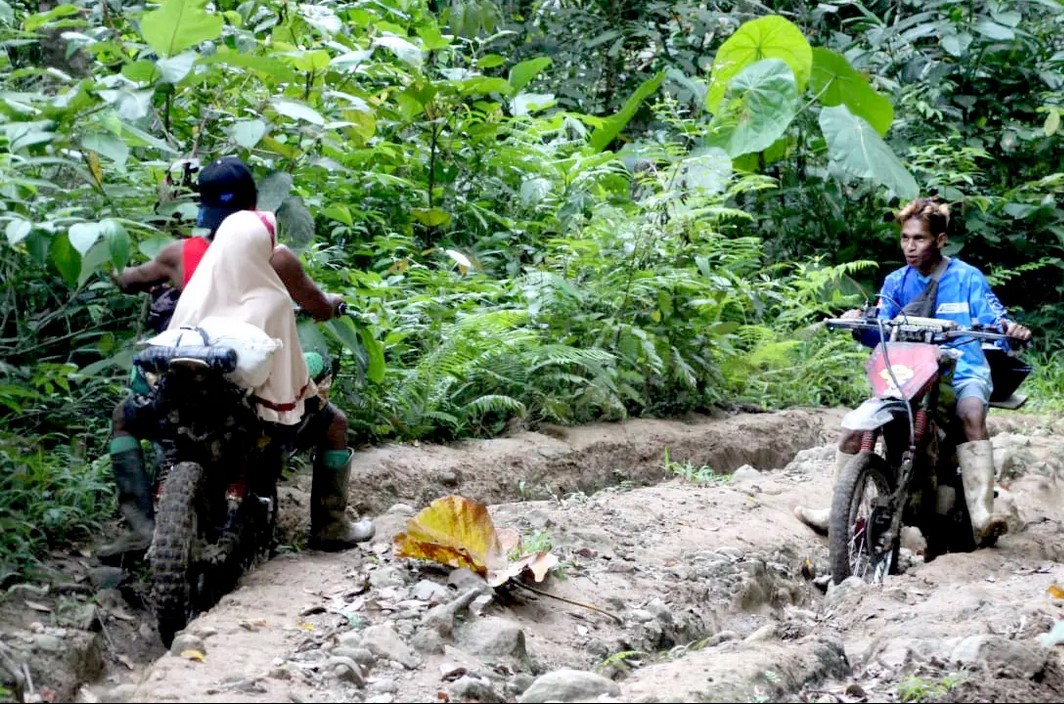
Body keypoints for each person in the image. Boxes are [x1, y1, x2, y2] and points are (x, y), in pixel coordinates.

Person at [99, 157, 374, 559]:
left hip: (184, 371)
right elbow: (316, 304)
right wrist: (330, 304)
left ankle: (140, 526)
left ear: (203, 205)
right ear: (256, 204)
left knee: (125, 416)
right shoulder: (275, 255)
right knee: (332, 423)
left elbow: (127, 279)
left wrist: (117, 265)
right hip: (245, 378)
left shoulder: (181, 254)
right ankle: (330, 524)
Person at [794, 197, 1032, 547]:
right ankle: (839, 511)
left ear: (939, 240)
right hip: (907, 372)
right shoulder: (895, 283)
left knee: (971, 414)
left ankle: (982, 514)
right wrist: (858, 322)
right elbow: (878, 325)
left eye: (919, 239)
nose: (910, 246)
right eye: (905, 238)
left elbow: (996, 320)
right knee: (852, 431)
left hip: (962, 370)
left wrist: (1011, 329)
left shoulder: (968, 279)